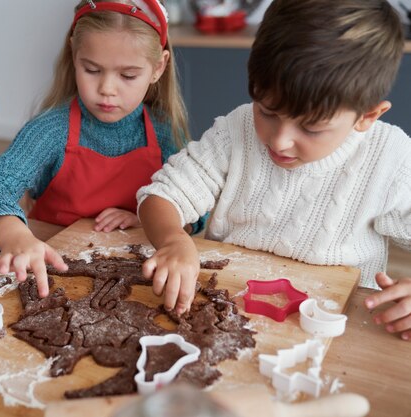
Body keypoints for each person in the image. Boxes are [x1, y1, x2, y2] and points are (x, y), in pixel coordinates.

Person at [137, 0, 411, 341]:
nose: (280, 141)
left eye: (311, 128)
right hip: (223, 314)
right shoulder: (236, 130)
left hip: (337, 329)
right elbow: (162, 196)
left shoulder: (391, 157)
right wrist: (173, 240)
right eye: (267, 111)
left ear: (367, 116)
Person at [0, 0, 196, 298]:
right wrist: (15, 235)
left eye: (128, 76)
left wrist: (151, 217)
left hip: (133, 281)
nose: (107, 89)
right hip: (53, 276)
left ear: (158, 68)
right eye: (91, 69)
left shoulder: (165, 133)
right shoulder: (51, 130)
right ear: (74, 53)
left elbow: (195, 211)